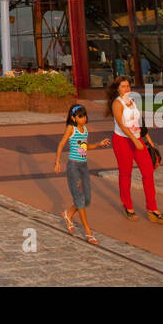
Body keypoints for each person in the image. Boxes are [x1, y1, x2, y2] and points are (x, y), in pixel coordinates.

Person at [109, 76, 163, 223]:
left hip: (137, 139)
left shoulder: (132, 102)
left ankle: (152, 209)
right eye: (123, 86)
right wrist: (134, 140)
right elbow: (122, 125)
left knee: (148, 171)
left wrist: (150, 142)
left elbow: (139, 123)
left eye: (128, 86)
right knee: (125, 173)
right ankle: (128, 206)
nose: (127, 89)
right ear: (117, 89)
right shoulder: (117, 103)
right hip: (122, 141)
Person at [53, 103, 110, 244]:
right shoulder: (70, 129)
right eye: (80, 117)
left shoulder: (84, 130)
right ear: (73, 118)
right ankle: (88, 231)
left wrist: (99, 144)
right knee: (79, 197)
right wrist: (58, 161)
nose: (84, 119)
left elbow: (84, 147)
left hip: (83, 166)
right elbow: (61, 144)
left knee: (87, 198)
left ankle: (68, 214)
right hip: (73, 167)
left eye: (85, 116)